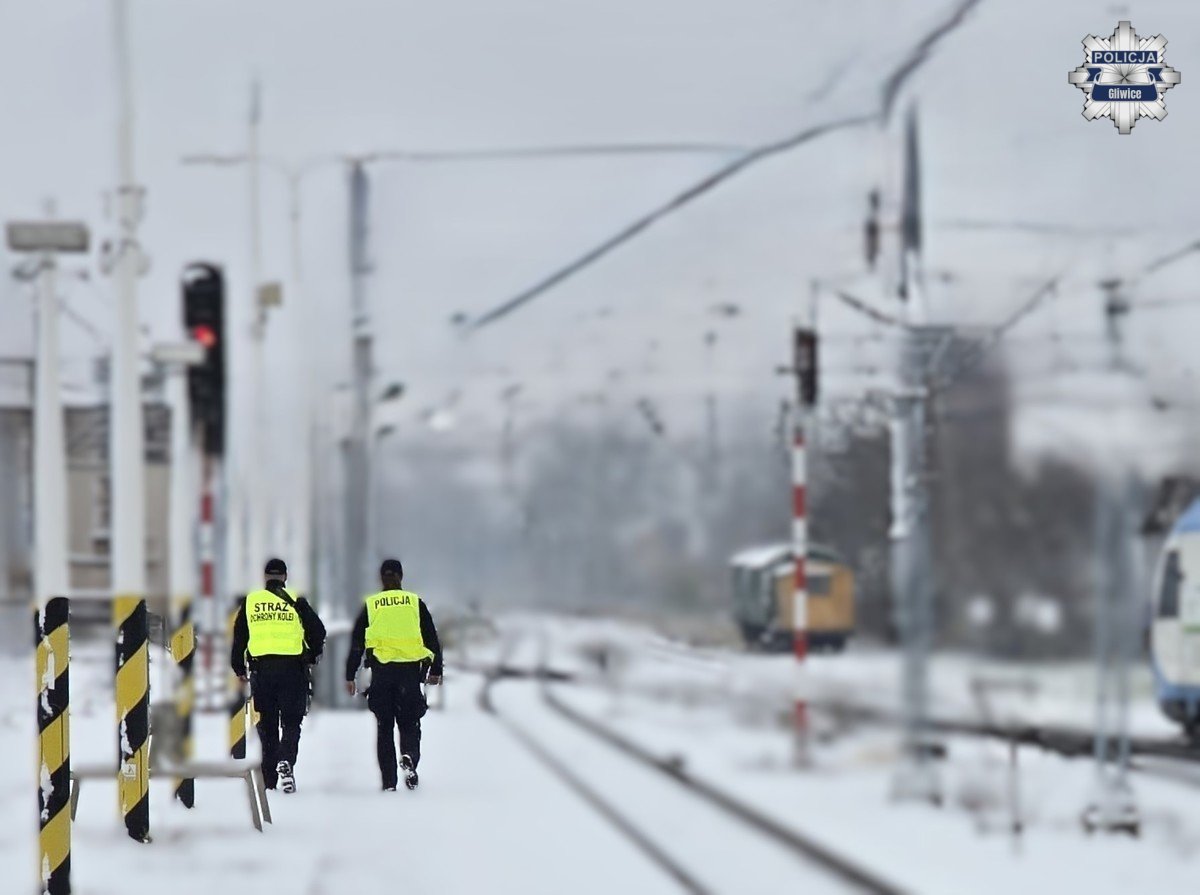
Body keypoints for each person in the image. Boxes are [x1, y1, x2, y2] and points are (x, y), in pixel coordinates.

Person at [345, 559, 443, 791]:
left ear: (381, 578)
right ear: (401, 576)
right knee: (410, 723)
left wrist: (350, 674)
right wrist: (436, 669)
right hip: (409, 674)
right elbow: (432, 638)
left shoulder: (372, 605)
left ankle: (389, 781)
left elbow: (357, 644)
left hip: (382, 675)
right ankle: (409, 757)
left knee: (384, 727)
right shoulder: (414, 603)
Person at [231, 558, 326, 793]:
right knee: (292, 721)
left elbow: (239, 636)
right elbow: (318, 630)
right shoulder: (295, 600)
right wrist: (312, 655)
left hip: (262, 671)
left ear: (265, 577)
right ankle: (286, 760)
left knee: (268, 723)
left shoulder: (251, 602)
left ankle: (270, 779)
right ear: (285, 577)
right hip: (293, 669)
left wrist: (238, 667)